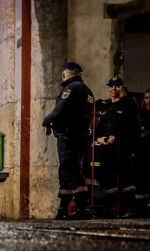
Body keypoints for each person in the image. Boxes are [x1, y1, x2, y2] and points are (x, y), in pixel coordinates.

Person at [43, 61, 95, 219]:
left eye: (64, 71)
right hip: (80, 136)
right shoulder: (87, 91)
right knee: (67, 170)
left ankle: (82, 207)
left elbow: (60, 109)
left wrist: (47, 119)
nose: (62, 74)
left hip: (68, 136)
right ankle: (63, 209)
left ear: (69, 72)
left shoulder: (71, 88)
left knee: (69, 170)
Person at [93, 77, 138, 216]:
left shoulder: (128, 104)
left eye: (117, 86)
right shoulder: (106, 106)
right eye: (111, 86)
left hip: (123, 147)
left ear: (122, 88)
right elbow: (99, 128)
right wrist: (97, 139)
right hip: (107, 149)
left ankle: (129, 209)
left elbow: (132, 127)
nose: (114, 89)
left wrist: (117, 137)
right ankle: (109, 209)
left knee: (126, 179)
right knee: (107, 178)